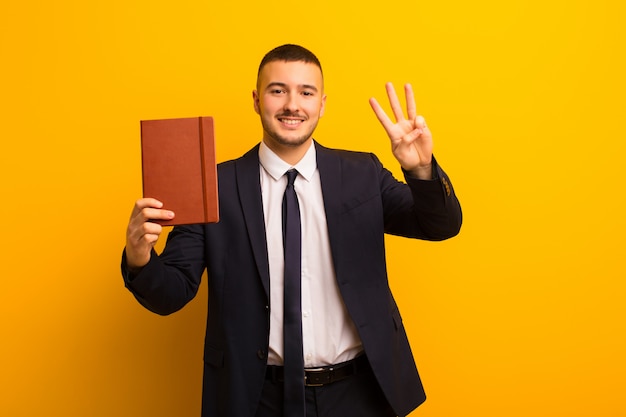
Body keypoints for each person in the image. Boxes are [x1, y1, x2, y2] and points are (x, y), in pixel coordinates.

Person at [122, 44, 462, 417]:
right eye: (277, 90)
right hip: (255, 399)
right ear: (256, 100)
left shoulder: (362, 174)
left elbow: (439, 225)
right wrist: (140, 258)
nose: (292, 105)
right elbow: (170, 294)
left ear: (322, 103)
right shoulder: (214, 186)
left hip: (360, 394)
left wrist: (421, 170)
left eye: (306, 92)